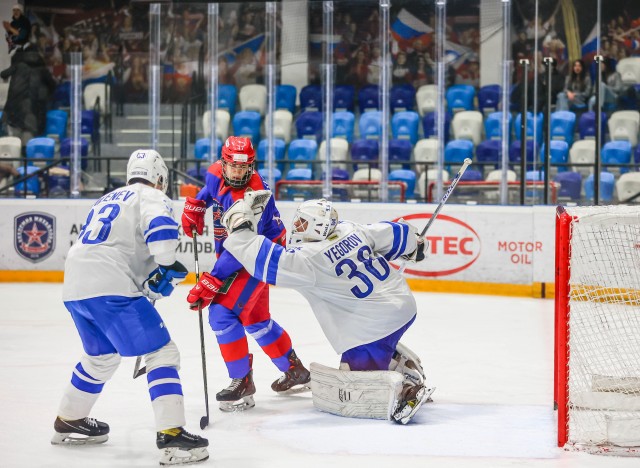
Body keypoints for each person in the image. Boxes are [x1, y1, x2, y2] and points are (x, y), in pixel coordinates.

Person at [219, 195, 434, 424]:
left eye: (302, 223)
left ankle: (406, 390)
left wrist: (240, 225)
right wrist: (415, 245)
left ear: (317, 226)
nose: (297, 228)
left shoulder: (309, 259)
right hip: (401, 304)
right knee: (369, 355)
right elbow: (394, 233)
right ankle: (396, 360)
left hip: (371, 327)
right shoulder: (349, 229)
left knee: (357, 389)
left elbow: (266, 261)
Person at [53, 149, 208, 466]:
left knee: (101, 357)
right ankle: (172, 436)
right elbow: (162, 241)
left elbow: (117, 246)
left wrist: (149, 278)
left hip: (76, 285)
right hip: (110, 286)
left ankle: (69, 419)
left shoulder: (108, 199)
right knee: (162, 352)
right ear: (160, 177)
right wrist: (167, 266)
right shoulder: (150, 195)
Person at [182, 136, 310, 412]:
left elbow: (243, 249)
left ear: (252, 167)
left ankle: (242, 382)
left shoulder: (252, 199)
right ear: (223, 163)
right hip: (242, 252)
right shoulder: (217, 172)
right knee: (256, 318)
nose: (238, 173)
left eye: (244, 168)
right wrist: (198, 204)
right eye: (233, 167)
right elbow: (211, 190)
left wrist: (214, 279)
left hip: (260, 256)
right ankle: (294, 370)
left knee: (221, 313)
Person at [0, 44, 56, 146]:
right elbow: (53, 86)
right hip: (32, 111)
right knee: (28, 145)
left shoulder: (18, 65)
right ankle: (25, 158)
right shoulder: (42, 70)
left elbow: (3, 74)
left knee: (13, 145)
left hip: (14, 110)